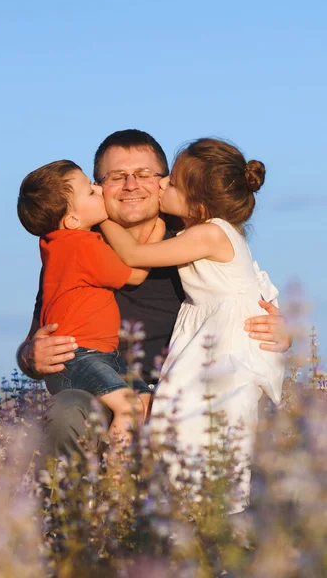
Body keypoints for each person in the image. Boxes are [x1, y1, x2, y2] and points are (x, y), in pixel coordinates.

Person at [16, 129, 290, 466]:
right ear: (99, 188)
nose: (132, 184)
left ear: (164, 181)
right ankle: (71, 513)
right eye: (117, 176)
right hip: (102, 391)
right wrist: (32, 355)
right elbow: (34, 340)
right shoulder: (75, 247)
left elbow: (253, 294)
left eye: (145, 174)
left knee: (237, 413)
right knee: (66, 411)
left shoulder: (190, 234)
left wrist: (280, 330)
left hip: (182, 390)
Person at [100, 137, 285, 512]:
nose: (162, 185)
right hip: (209, 333)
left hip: (228, 341)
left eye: (171, 182)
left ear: (197, 203)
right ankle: (182, 509)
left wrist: (99, 214)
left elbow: (133, 255)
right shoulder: (206, 230)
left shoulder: (209, 232)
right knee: (181, 422)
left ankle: (218, 511)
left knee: (203, 425)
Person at [16, 159, 155, 453]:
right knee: (131, 406)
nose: (98, 189)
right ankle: (115, 487)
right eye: (93, 189)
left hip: (101, 356)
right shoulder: (83, 245)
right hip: (80, 356)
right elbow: (138, 272)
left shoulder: (58, 244)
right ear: (72, 221)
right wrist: (158, 224)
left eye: (143, 174)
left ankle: (117, 468)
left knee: (142, 399)